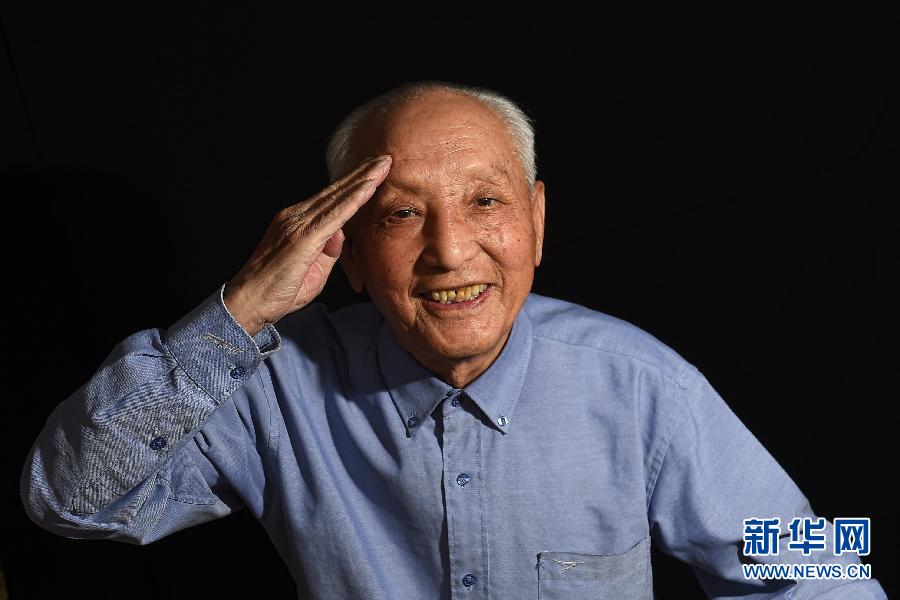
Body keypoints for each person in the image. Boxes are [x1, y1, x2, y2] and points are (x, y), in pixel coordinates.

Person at [21, 81, 886, 599]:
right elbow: (66, 501)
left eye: (485, 202)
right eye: (400, 214)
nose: (449, 251)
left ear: (536, 221)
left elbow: (821, 561)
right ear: (349, 253)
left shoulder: (641, 385)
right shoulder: (272, 387)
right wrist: (239, 312)